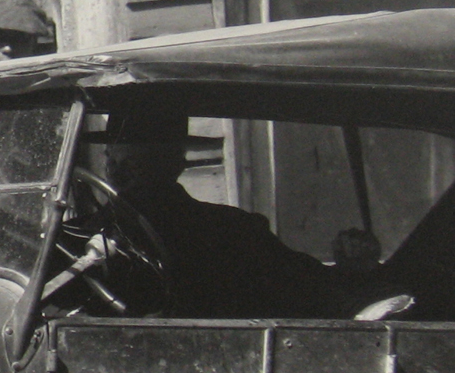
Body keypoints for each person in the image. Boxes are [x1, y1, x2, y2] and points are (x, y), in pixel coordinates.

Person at [102, 111, 375, 319]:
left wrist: (351, 269)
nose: (117, 172)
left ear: (176, 162)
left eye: (134, 162)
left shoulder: (232, 230)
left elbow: (303, 285)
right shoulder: (82, 235)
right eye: (112, 160)